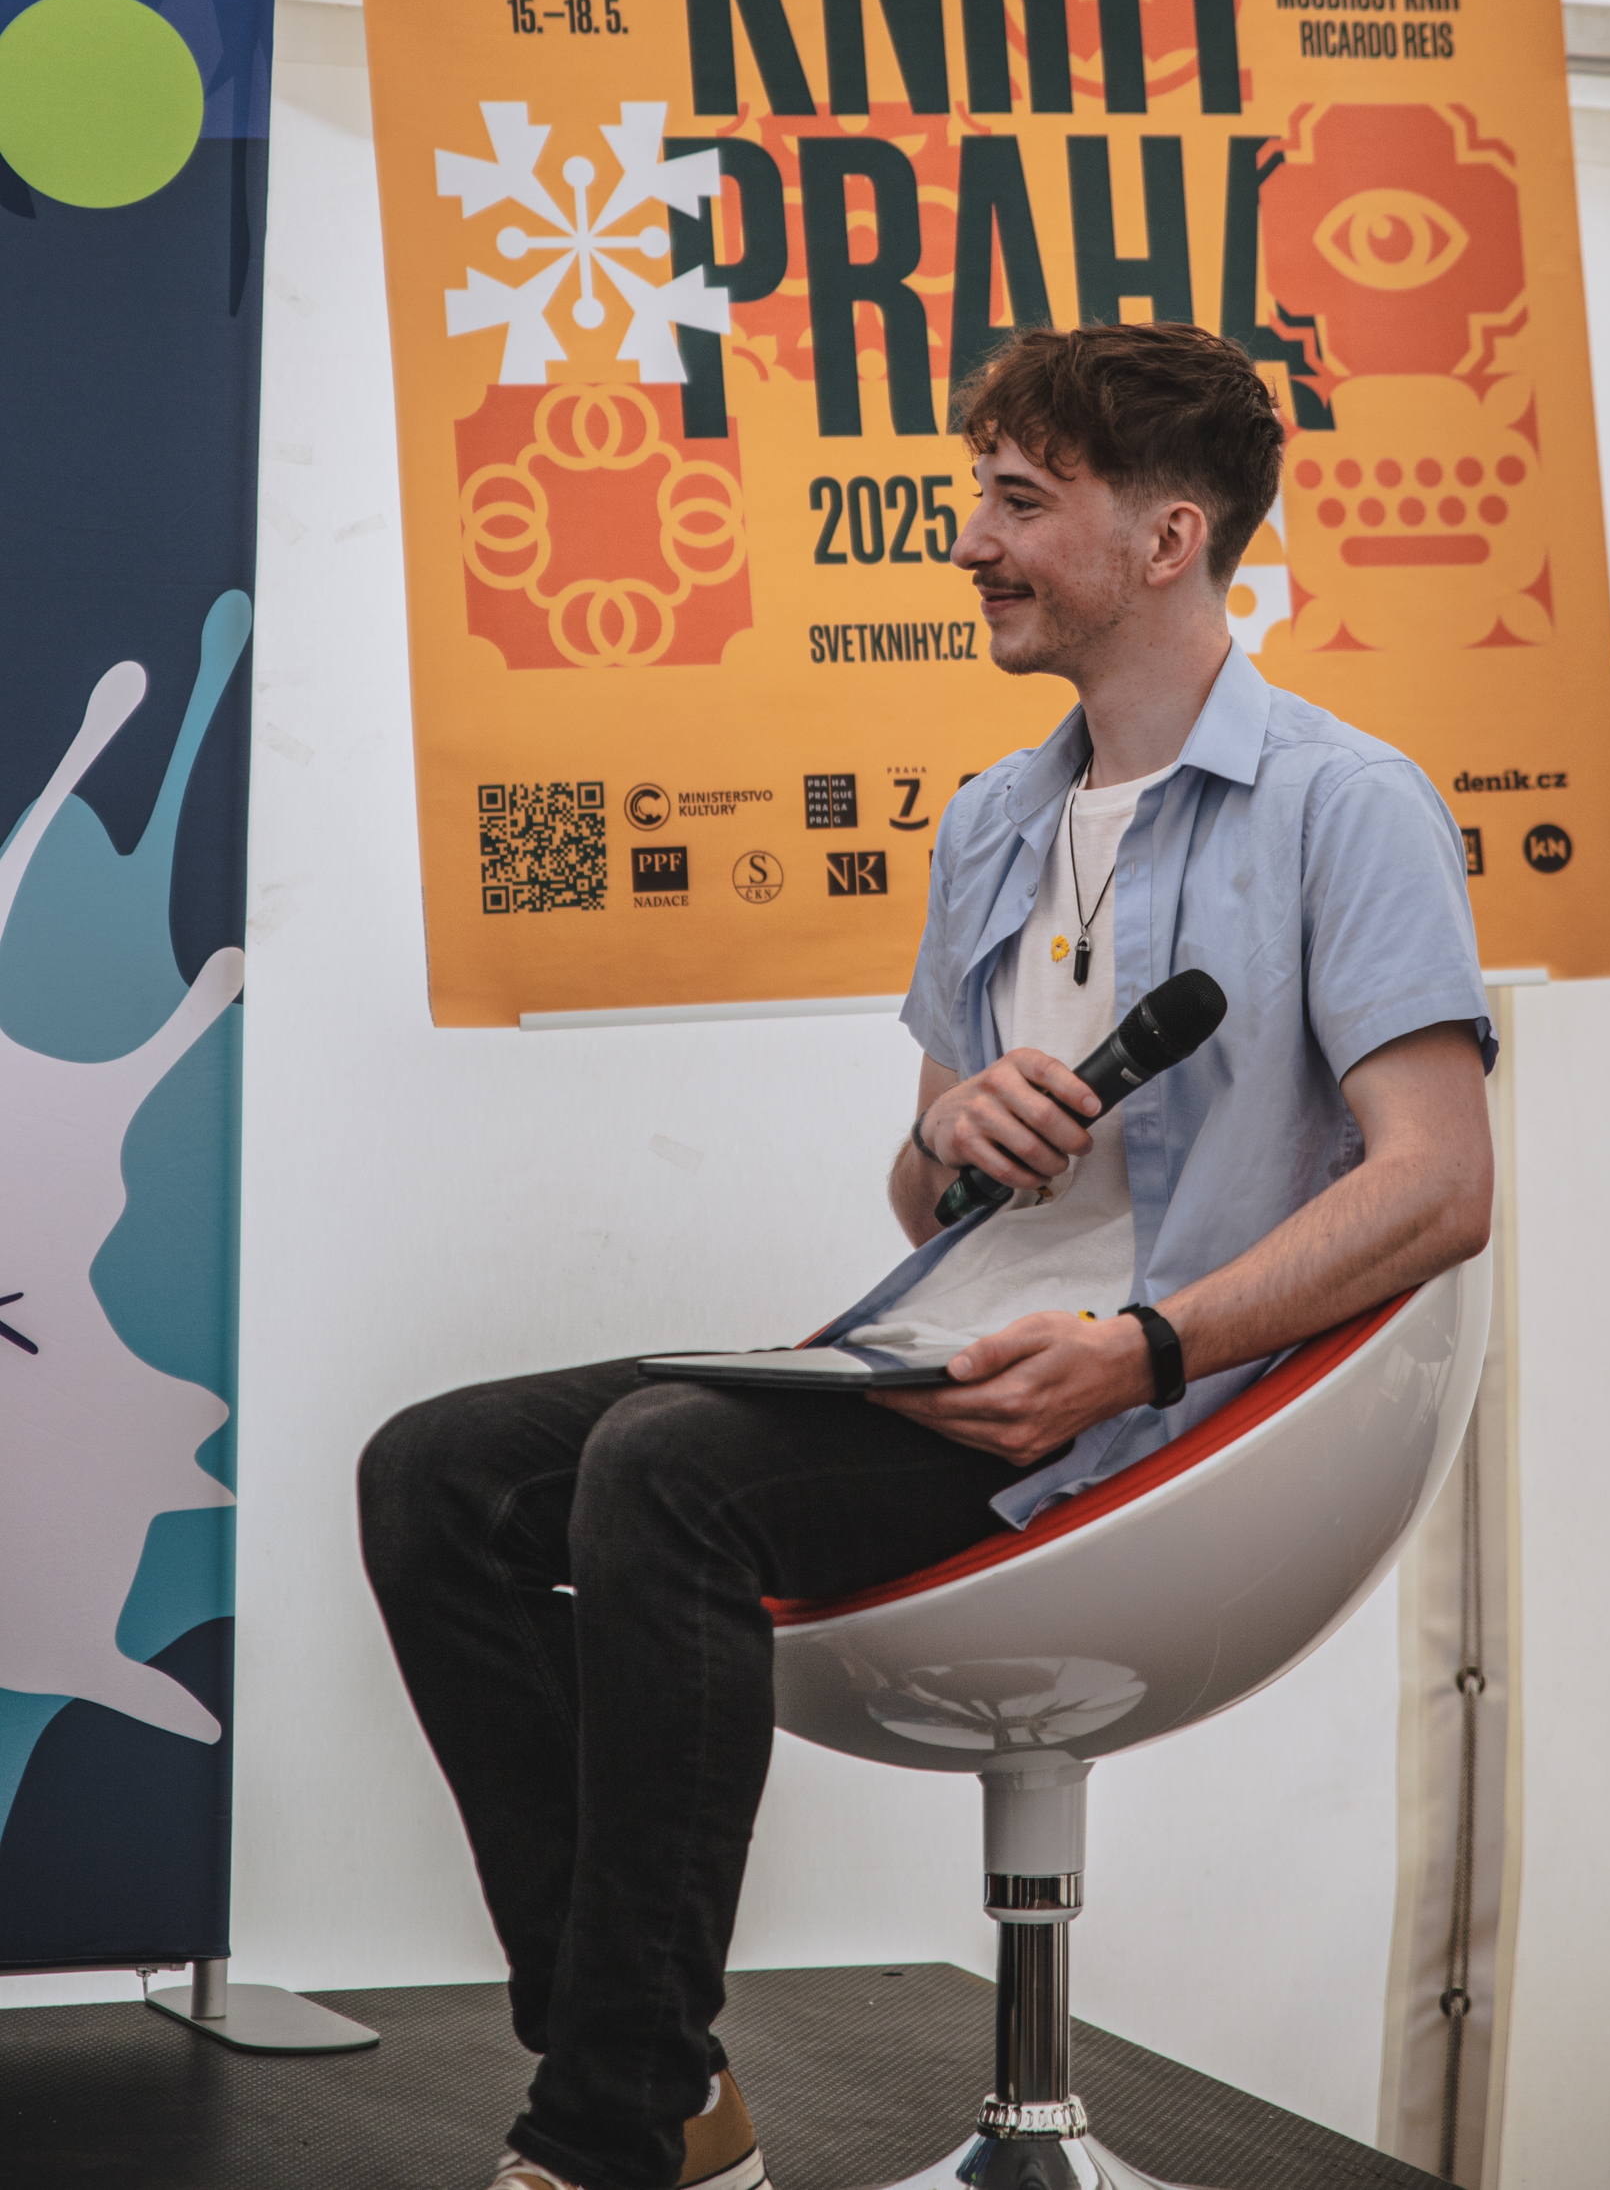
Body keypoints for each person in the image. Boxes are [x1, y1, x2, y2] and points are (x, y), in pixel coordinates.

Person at [359, 322, 1496, 2190]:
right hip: (943, 1359)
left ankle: (611, 2127)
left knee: (660, 1473)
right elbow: (923, 1203)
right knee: (434, 1475)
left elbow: (1440, 1184)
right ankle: (656, 2075)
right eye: (981, 498)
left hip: (1140, 1417)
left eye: (1019, 503)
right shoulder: (990, 820)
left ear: (1168, 538)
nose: (970, 541)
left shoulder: (1343, 804)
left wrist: (1142, 1346)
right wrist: (950, 1136)